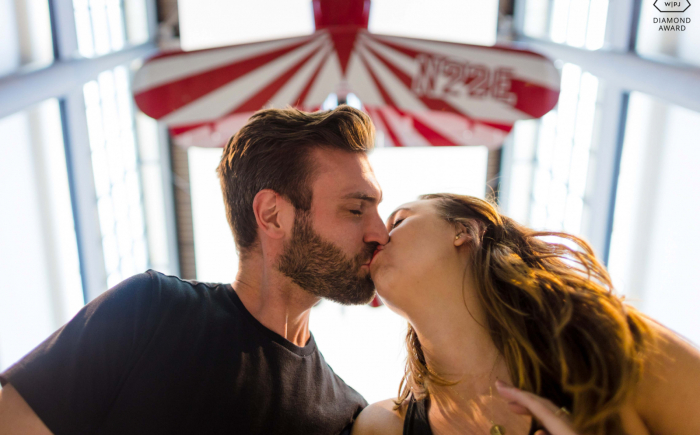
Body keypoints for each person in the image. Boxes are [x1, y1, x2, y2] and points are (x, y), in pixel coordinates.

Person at [0, 105, 390, 435]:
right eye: (356, 210)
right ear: (272, 215)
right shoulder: (148, 311)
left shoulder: (349, 414)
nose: (380, 233)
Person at [353, 194, 700, 435]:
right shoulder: (382, 427)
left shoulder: (609, 343)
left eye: (398, 219)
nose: (377, 237)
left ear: (464, 229)